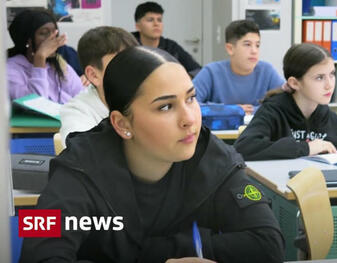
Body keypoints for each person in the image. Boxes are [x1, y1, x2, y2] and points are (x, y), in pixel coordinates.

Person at [20, 46, 284, 263]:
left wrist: (156, 252)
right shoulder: (76, 168)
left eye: (191, 99)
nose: (189, 119)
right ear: (122, 124)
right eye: (166, 106)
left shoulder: (212, 157)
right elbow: (36, 255)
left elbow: (269, 244)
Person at [234, 43, 337, 161]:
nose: (329, 85)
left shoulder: (332, 120)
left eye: (332, 74)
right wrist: (306, 148)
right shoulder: (273, 111)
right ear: (294, 83)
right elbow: (243, 148)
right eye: (319, 77)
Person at [59, 26, 139, 147]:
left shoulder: (145, 98)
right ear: (94, 75)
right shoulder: (77, 112)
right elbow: (83, 157)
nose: (133, 71)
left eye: (135, 62)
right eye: (122, 64)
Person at [193, 19, 285, 115]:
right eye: (247, 45)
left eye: (257, 45)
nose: (254, 51)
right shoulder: (211, 72)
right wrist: (231, 110)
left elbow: (285, 103)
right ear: (230, 49)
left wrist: (252, 110)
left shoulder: (267, 71)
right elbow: (189, 104)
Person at [7, 9, 83, 104]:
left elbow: (82, 96)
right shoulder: (9, 70)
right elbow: (37, 105)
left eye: (54, 33)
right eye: (44, 33)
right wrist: (39, 59)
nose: (52, 39)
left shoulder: (58, 63)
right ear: (27, 40)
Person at [133, 1, 201, 77]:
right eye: (150, 20)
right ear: (137, 26)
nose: (156, 24)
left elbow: (197, 70)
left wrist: (183, 79)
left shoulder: (171, 47)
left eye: (159, 20)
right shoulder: (129, 43)